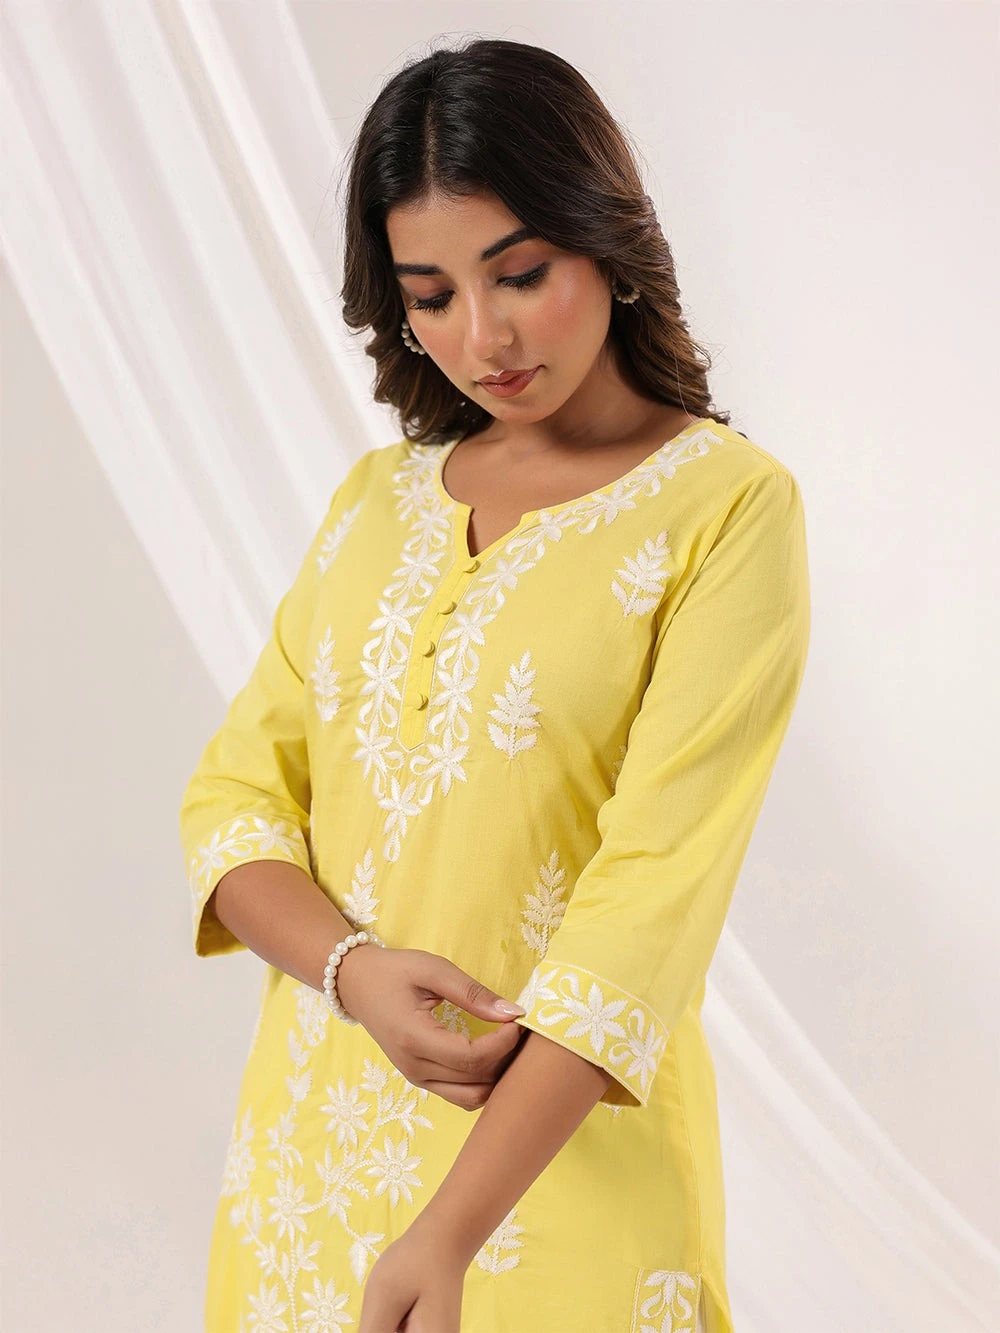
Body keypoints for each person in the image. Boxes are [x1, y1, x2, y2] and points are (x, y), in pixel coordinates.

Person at [179, 37, 810, 1333]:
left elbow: (646, 911)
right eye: (432, 294)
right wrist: (351, 972)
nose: (485, 337)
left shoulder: (725, 512)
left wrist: (447, 1234)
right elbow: (234, 804)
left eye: (521, 274)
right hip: (308, 1175)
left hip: (549, 1193)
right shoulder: (376, 503)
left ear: (607, 240)